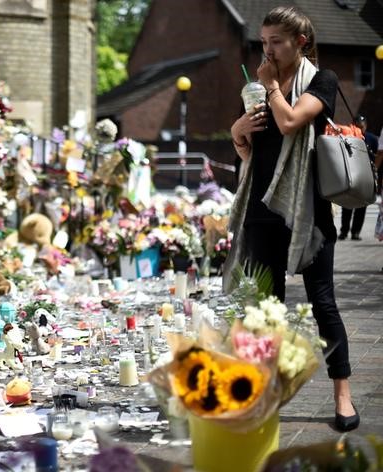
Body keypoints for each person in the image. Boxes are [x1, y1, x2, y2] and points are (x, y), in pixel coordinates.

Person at [227, 6, 358, 431]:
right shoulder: (257, 86)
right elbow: (247, 146)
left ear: (300, 42)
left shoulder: (322, 79)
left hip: (310, 211)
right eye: (263, 43)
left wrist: (270, 89)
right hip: (261, 211)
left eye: (276, 43)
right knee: (266, 308)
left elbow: (290, 122)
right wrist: (237, 130)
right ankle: (268, 393)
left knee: (323, 303)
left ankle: (343, 395)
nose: (268, 51)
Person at [338, 115, 378, 240]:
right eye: (358, 127)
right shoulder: (348, 136)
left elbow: (377, 156)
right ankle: (344, 231)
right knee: (347, 204)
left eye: (362, 127)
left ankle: (356, 232)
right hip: (351, 173)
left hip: (366, 175)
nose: (361, 129)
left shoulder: (371, 139)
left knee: (362, 205)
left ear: (366, 126)